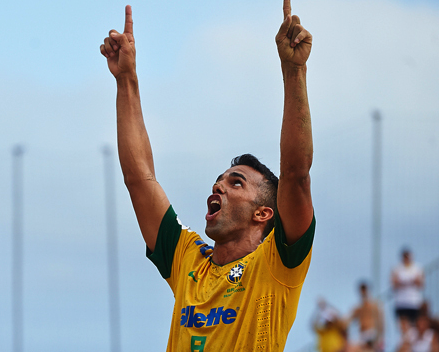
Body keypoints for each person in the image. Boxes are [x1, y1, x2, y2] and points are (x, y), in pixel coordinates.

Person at [100, 0, 314, 350]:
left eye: (236, 182)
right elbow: (140, 180)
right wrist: (126, 79)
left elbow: (296, 174)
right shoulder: (189, 258)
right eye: (221, 179)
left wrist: (294, 72)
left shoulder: (276, 263)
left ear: (263, 213)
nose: (219, 185)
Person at [392, 248, 424, 328]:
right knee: (403, 327)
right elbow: (394, 284)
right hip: (401, 302)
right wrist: (411, 281)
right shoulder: (397, 268)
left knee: (413, 327)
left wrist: (403, 282)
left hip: (414, 303)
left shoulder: (417, 268)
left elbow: (420, 284)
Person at [347, 282, 383, 352]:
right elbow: (348, 321)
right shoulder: (358, 308)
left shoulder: (374, 306)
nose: (363, 293)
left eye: (364, 290)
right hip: (362, 335)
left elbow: (380, 323)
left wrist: (379, 338)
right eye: (361, 291)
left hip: (371, 335)